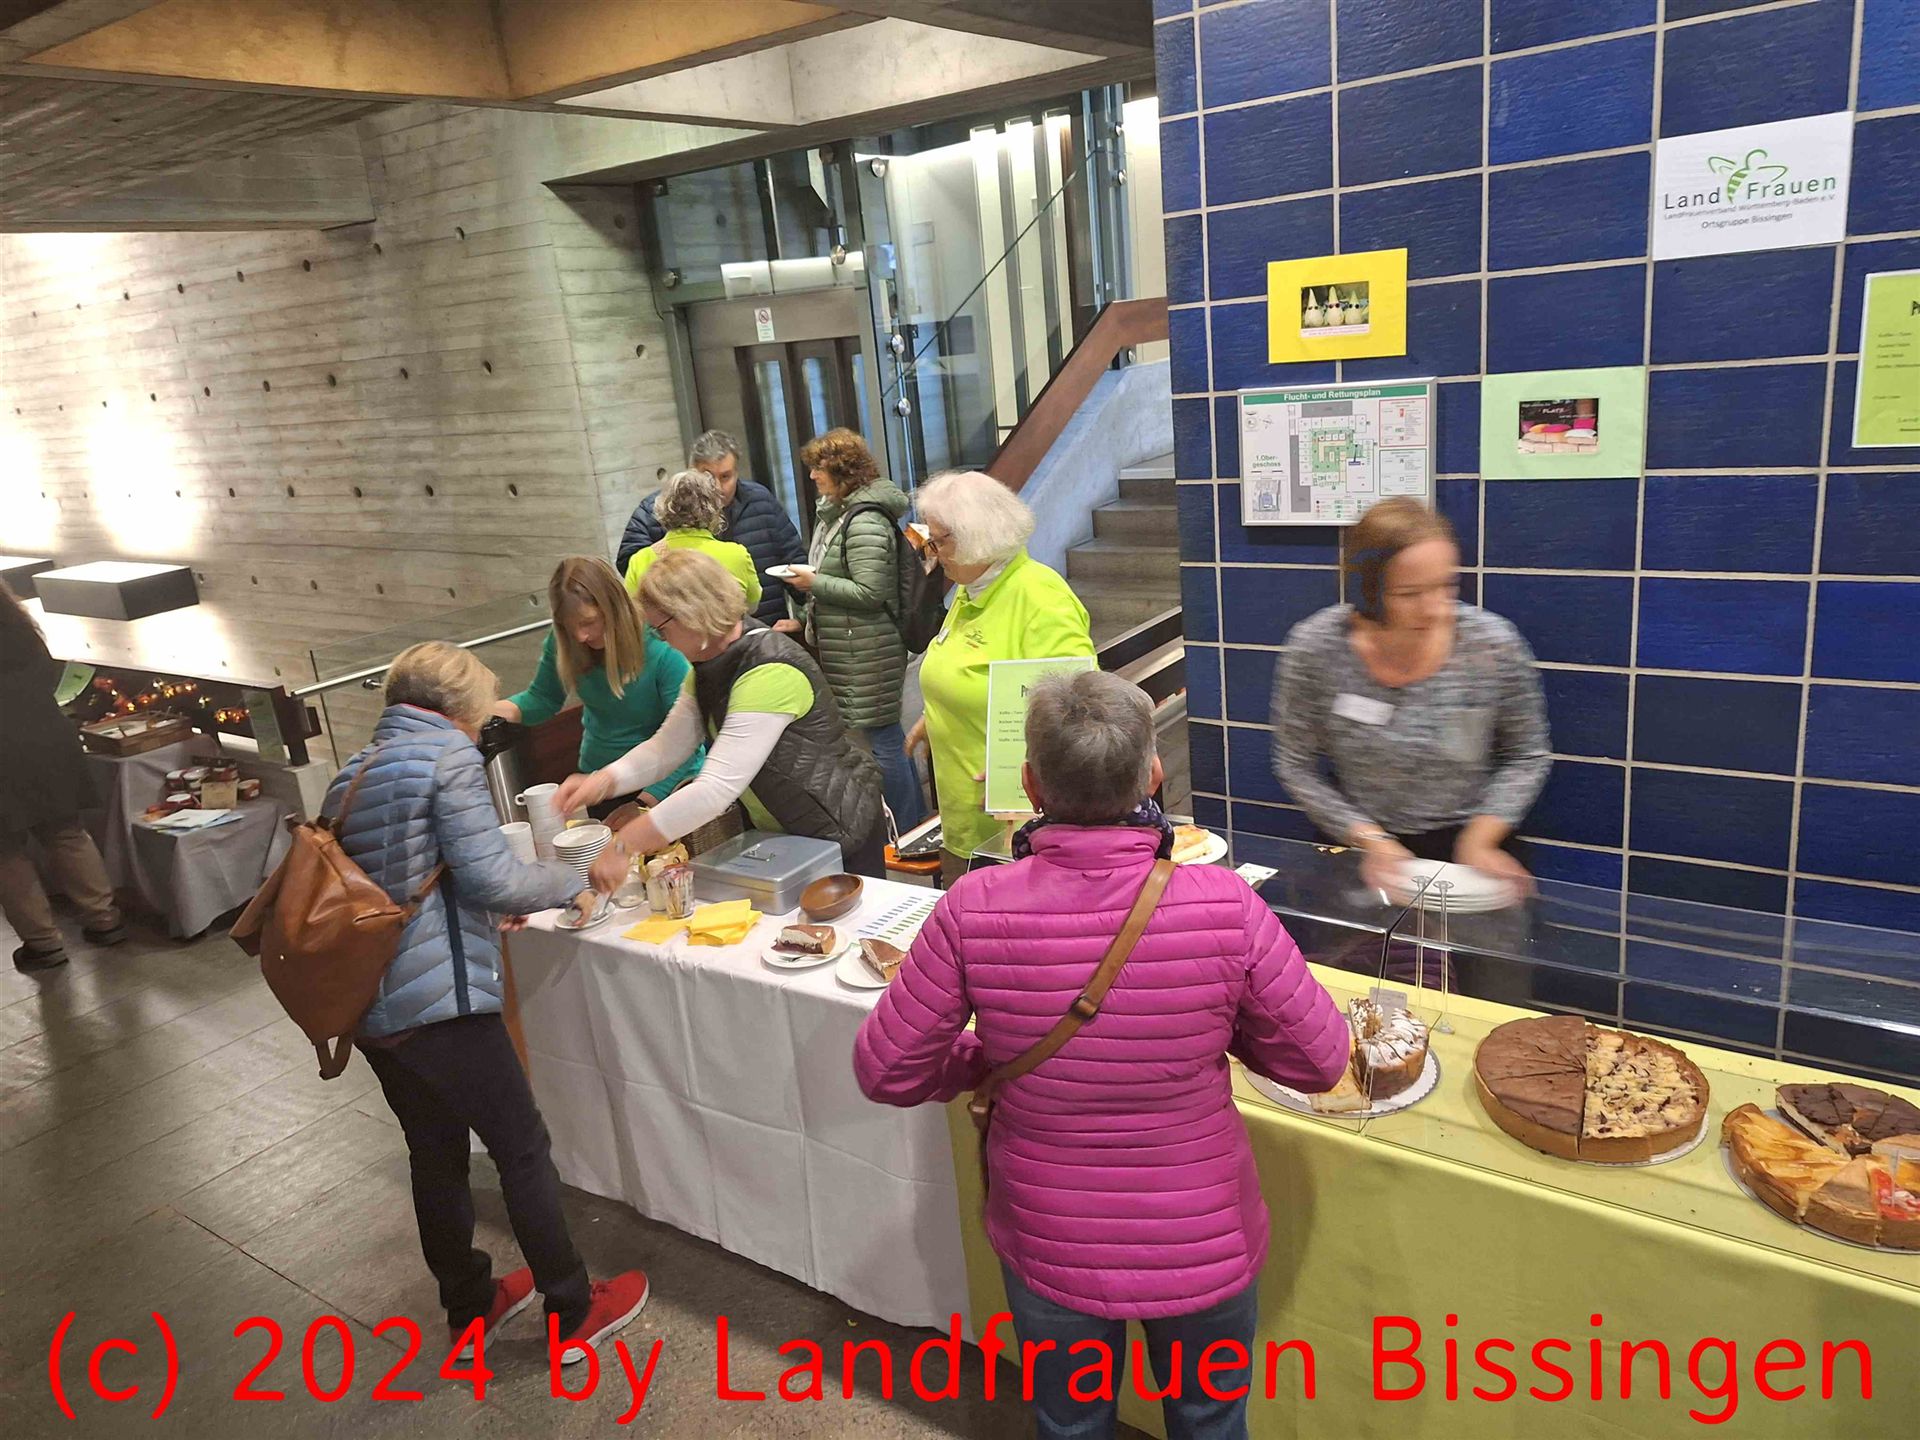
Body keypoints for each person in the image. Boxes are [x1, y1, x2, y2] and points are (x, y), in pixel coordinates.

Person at [854, 669, 1348, 1440]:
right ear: (1152, 775)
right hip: (1202, 1235)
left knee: (1072, 1423)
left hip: (1051, 1239)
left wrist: (983, 1060)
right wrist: (1221, 1031)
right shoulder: (1226, 904)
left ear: (1030, 784)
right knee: (1210, 1421)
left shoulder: (972, 907)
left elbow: (886, 1067)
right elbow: (1320, 1061)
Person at [327, 641, 649, 1358]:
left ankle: (468, 1308)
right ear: (462, 704)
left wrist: (481, 905)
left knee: (435, 1155)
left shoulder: (355, 770)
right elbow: (493, 879)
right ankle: (572, 1309)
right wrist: (576, 880)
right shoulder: (447, 758)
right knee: (521, 1149)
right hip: (440, 1004)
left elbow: (404, 879)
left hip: (371, 1003)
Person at [1270, 496, 1551, 897]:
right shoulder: (1317, 648)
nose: (1433, 609)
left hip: (1471, 849)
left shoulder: (1492, 645)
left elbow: (1527, 754)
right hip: (1362, 847)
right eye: (1408, 594)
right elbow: (1294, 764)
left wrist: (1481, 839)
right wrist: (1370, 840)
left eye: (1446, 586)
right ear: (1368, 591)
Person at [556, 550, 888, 882]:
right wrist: (602, 782)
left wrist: (625, 845)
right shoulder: (708, 667)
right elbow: (666, 748)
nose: (662, 641)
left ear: (691, 614)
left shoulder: (770, 671)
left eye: (661, 630)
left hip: (837, 828)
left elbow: (714, 789)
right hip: (789, 832)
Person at [907, 470, 1095, 885]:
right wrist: (937, 713)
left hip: (1017, 832)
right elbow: (967, 674)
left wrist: (1022, 771)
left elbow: (1079, 709)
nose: (933, 553)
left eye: (939, 541)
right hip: (964, 819)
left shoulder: (1040, 597)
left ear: (977, 537)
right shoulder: (972, 587)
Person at [788, 428, 926, 830]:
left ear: (842, 470)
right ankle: (910, 821)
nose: (812, 476)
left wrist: (814, 583)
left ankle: (908, 827)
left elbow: (869, 591)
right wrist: (804, 614)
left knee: (883, 739)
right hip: (856, 646)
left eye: (819, 468)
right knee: (882, 737)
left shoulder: (865, 520)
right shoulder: (840, 513)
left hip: (868, 650)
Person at [494, 557, 702, 815]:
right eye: (569, 626)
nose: (580, 636)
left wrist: (644, 802)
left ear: (614, 608)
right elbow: (542, 699)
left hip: (664, 783)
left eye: (588, 622)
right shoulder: (564, 642)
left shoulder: (661, 646)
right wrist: (484, 710)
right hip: (598, 781)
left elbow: (684, 744)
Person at [0, 583, 126, 972]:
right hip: (46, 736)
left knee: (5, 851)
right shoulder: (18, 626)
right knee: (65, 831)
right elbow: (49, 676)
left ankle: (44, 944)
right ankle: (104, 919)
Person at [618, 429, 803, 627]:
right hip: (681, 630)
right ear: (691, 472)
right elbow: (631, 563)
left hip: (764, 627)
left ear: (736, 473)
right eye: (707, 476)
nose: (716, 487)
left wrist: (805, 618)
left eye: (725, 477)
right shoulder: (656, 509)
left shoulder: (760, 500)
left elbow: (793, 560)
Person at [623, 469, 763, 609]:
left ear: (662, 508)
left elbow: (634, 615)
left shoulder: (640, 560)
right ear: (714, 508)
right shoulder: (737, 555)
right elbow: (752, 605)